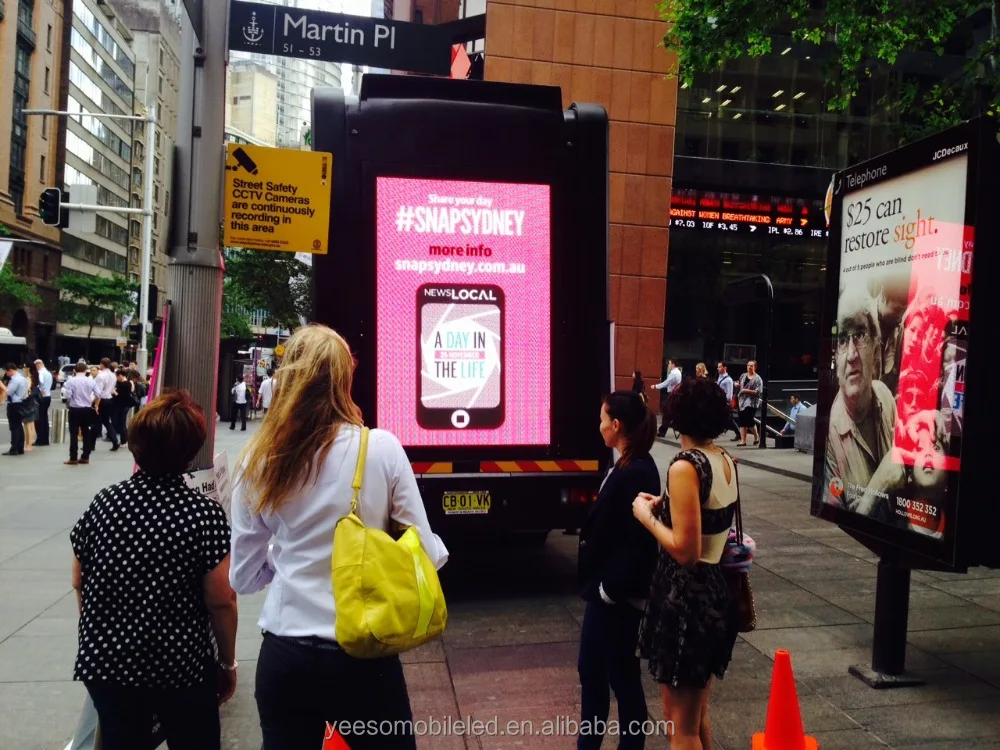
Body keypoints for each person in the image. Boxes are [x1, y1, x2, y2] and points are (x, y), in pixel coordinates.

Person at [230, 325, 448, 750]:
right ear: (345, 379)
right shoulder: (380, 448)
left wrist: (285, 554)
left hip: (284, 655)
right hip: (363, 658)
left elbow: (243, 577)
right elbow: (427, 553)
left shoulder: (258, 458)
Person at [70, 391, 237, 750]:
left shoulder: (105, 502)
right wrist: (227, 663)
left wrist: (104, 632)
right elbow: (221, 599)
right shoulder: (202, 514)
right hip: (179, 666)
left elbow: (78, 580)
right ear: (190, 450)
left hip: (107, 664)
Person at [633, 377, 741, 750]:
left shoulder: (686, 466)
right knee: (695, 717)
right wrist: (664, 506)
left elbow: (686, 550)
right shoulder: (724, 460)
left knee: (681, 727)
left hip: (687, 602)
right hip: (716, 594)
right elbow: (710, 520)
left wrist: (645, 517)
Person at [577, 391, 660, 750]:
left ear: (615, 424)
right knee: (596, 673)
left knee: (618, 678)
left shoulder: (637, 470)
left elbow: (639, 543)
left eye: (602, 419)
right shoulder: (628, 464)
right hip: (607, 592)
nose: (598, 426)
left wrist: (608, 590)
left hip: (616, 597)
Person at [824, 290, 900, 521]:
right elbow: (836, 519)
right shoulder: (830, 435)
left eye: (859, 335)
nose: (851, 355)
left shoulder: (884, 395)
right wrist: (880, 482)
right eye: (842, 340)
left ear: (876, 349)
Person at [63, 362, 99, 466]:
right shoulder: (90, 381)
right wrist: (94, 403)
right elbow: (98, 394)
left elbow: (67, 395)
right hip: (87, 408)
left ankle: (73, 457)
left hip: (75, 409)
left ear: (74, 370)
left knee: (73, 433)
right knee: (86, 432)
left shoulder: (71, 381)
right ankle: (85, 456)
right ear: (85, 371)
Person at [651, 359, 682, 437]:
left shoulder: (673, 374)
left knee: (667, 414)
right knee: (670, 413)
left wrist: (655, 386)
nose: (668, 365)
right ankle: (664, 430)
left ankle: (662, 431)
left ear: (673, 364)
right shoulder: (678, 372)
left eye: (669, 363)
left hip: (671, 395)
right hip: (675, 394)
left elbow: (666, 383)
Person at [94, 358, 120, 450]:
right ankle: (115, 441)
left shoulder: (100, 376)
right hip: (109, 399)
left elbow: (98, 393)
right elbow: (112, 389)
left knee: (95, 421)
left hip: (102, 400)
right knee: (106, 421)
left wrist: (96, 405)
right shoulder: (113, 375)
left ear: (102, 364)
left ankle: (90, 445)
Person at [3, 362, 28, 456]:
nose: (6, 374)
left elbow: (8, 391)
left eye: (7, 372)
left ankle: (14, 448)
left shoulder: (14, 380)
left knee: (14, 427)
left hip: (14, 404)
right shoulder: (22, 378)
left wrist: (3, 386)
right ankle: (20, 447)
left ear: (10, 370)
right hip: (21, 403)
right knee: (19, 426)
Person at [736, 361, 763, 446]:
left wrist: (747, 391)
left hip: (752, 402)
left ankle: (756, 435)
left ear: (755, 367)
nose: (749, 367)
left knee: (749, 420)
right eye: (748, 365)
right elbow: (739, 384)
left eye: (751, 366)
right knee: (741, 421)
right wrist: (736, 384)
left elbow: (758, 392)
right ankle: (743, 440)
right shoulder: (743, 375)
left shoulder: (758, 379)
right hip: (741, 401)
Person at [716, 363, 741, 442]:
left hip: (724, 403)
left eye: (719, 367)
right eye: (718, 367)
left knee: (729, 419)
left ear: (725, 368)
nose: (718, 368)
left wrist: (725, 402)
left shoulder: (728, 380)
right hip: (720, 402)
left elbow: (729, 395)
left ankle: (738, 434)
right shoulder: (720, 377)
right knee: (726, 418)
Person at [20, 365, 41, 452]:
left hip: (28, 403)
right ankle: (30, 443)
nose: (23, 368)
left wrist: (23, 397)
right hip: (33, 402)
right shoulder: (34, 377)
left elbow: (27, 390)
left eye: (24, 366)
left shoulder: (28, 378)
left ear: (28, 368)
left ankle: (28, 444)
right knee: (31, 424)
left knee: (27, 424)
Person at [111, 369, 135, 446]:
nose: (117, 378)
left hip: (122, 405)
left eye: (117, 376)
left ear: (120, 376)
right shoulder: (126, 383)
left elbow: (120, 395)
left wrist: (114, 391)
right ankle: (124, 440)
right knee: (122, 423)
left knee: (122, 423)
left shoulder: (124, 384)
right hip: (123, 405)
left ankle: (124, 441)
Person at [34, 359, 53, 446]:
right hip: (48, 396)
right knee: (45, 419)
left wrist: (38, 389)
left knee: (39, 419)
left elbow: (40, 384)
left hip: (41, 397)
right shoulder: (48, 373)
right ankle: (45, 439)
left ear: (38, 365)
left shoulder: (40, 373)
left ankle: (40, 440)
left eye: (36, 365)